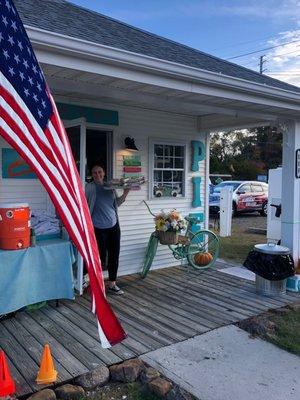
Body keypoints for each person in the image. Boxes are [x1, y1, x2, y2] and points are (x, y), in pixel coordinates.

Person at [85, 164, 129, 295]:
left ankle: (112, 284)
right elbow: (84, 206)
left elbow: (117, 203)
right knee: (99, 258)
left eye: (99, 172)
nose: (97, 175)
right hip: (97, 228)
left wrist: (125, 193)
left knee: (114, 255)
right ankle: (96, 284)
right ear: (92, 175)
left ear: (104, 173)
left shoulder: (110, 187)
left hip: (114, 226)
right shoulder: (89, 188)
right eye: (94, 173)